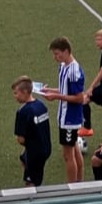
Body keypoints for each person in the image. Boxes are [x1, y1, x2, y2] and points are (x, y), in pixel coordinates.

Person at [41, 38, 87, 184]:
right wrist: (50, 90)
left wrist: (56, 96)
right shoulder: (63, 66)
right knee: (74, 149)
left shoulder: (74, 71)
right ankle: (78, 181)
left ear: (66, 51)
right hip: (64, 116)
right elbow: (65, 89)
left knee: (68, 155)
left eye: (57, 54)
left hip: (70, 118)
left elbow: (80, 98)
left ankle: (72, 186)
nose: (55, 57)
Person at [11, 76, 52, 187]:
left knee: (31, 182)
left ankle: (34, 198)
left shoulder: (23, 112)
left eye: (16, 93)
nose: (15, 97)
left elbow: (20, 139)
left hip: (35, 152)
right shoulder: (41, 105)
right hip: (46, 147)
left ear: (24, 92)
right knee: (23, 159)